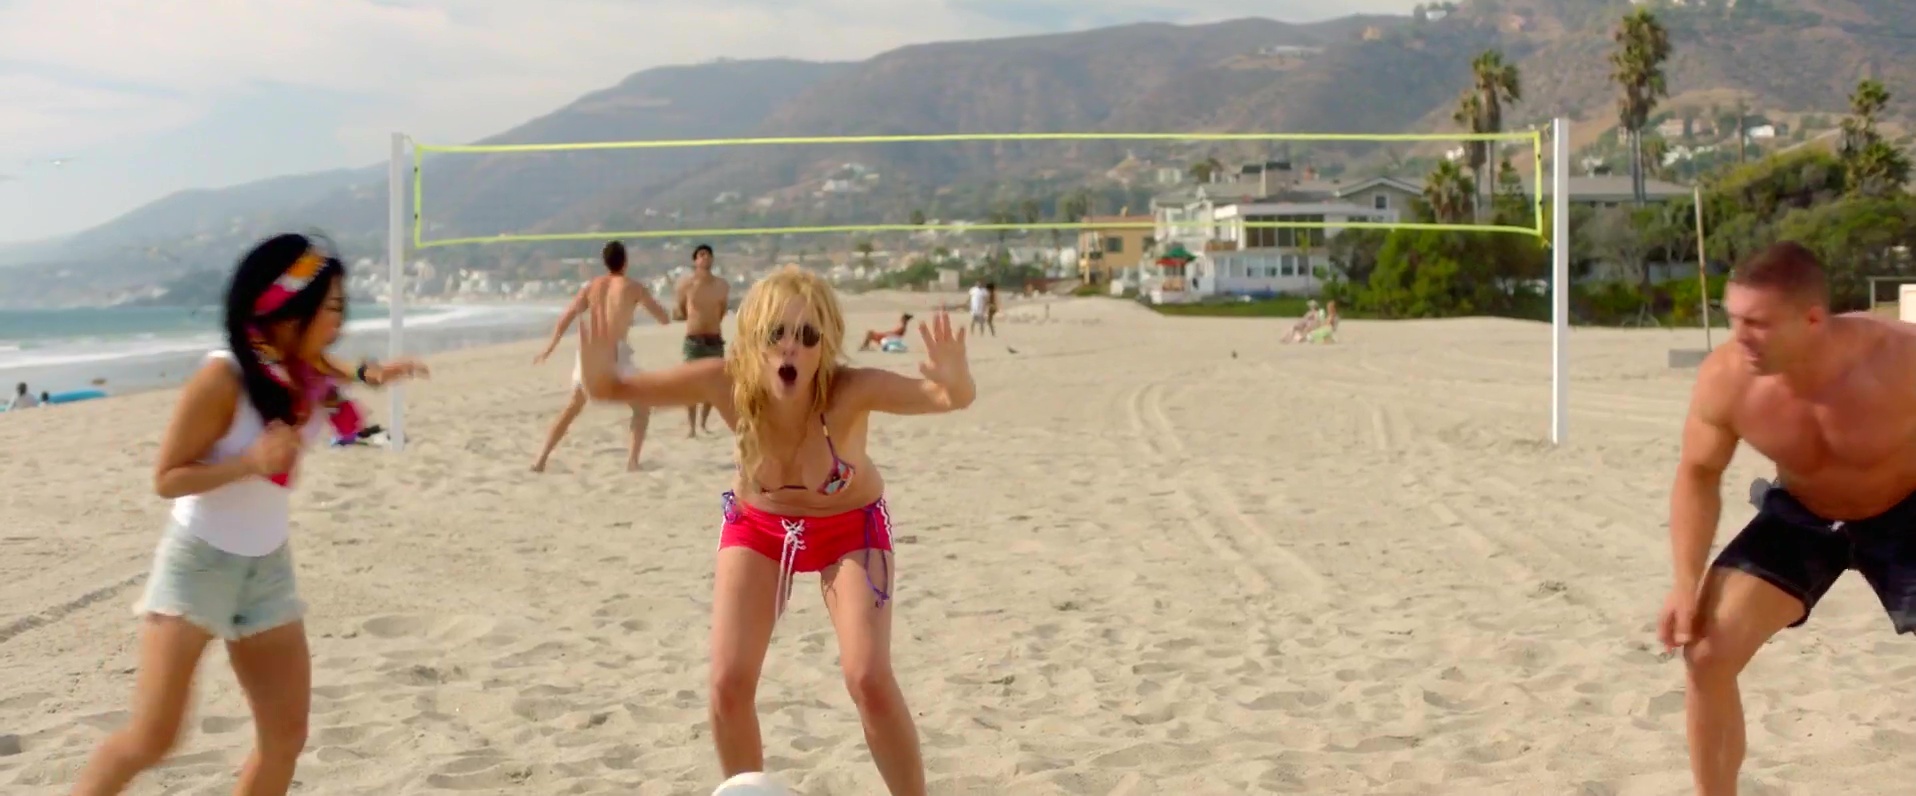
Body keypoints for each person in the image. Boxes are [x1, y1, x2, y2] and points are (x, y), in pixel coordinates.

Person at [574, 264, 975, 796]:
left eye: (808, 335)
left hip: (850, 530)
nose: (791, 347)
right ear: (752, 340)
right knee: (727, 684)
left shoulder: (849, 390)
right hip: (758, 528)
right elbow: (609, 386)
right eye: (775, 333)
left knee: (868, 679)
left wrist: (955, 376)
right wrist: (594, 366)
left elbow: (949, 398)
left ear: (825, 344)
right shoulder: (724, 382)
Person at [69, 233, 428, 796]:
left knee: (285, 738)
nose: (340, 320)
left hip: (267, 569)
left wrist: (370, 375)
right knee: (153, 738)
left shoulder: (302, 370)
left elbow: (331, 367)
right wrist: (249, 463)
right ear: (287, 308)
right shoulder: (224, 378)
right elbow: (167, 478)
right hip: (199, 567)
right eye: (332, 306)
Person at [1660, 241, 1916, 796]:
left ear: (1813, 319)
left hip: (1905, 510)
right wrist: (1684, 585)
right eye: (1734, 319)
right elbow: (1698, 474)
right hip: (1804, 512)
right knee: (1706, 653)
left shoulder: (1901, 360)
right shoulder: (1727, 378)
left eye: (1758, 323)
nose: (1741, 337)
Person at [530, 240, 670, 473]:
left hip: (591, 352)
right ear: (625, 262)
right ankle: (633, 461)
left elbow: (567, 316)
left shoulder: (592, 287)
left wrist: (550, 347)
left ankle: (540, 459)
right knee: (641, 406)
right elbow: (663, 318)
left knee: (573, 406)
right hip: (615, 353)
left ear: (605, 263)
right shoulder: (633, 287)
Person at [675, 243, 730, 437]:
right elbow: (681, 309)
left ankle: (703, 424)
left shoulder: (721, 285)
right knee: (690, 384)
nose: (705, 257)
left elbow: (722, 310)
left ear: (712, 259)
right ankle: (691, 427)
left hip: (714, 339)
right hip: (694, 339)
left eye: (708, 254)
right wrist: (696, 321)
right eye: (701, 254)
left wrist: (711, 323)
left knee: (713, 385)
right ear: (695, 260)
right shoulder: (686, 285)